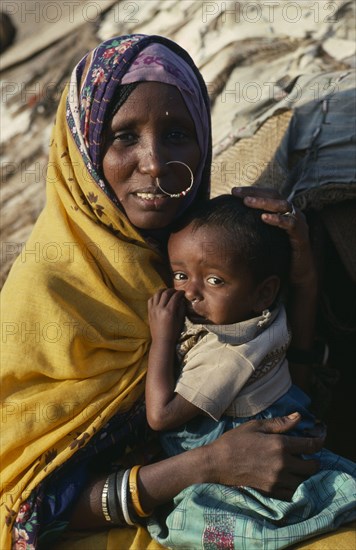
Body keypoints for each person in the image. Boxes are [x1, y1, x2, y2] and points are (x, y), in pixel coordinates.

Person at [0, 34, 337, 550]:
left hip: (239, 507)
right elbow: (25, 506)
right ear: (84, 150)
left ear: (204, 140)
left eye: (177, 133)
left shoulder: (210, 252)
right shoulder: (51, 292)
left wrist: (304, 275)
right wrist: (208, 463)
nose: (154, 163)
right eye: (123, 137)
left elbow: (294, 381)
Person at [146, 194, 356, 547]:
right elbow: (303, 291)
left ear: (264, 292)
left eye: (214, 281)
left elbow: (160, 415)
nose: (190, 293)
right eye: (180, 275)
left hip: (248, 456)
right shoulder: (264, 312)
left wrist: (161, 340)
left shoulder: (227, 354)